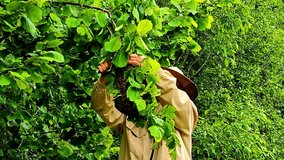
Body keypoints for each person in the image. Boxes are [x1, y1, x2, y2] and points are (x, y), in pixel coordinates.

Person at [91, 54, 198, 160]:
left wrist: (152, 70)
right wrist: (104, 81)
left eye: (171, 81)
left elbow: (175, 97)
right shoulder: (135, 113)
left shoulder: (185, 112)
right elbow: (105, 109)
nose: (164, 82)